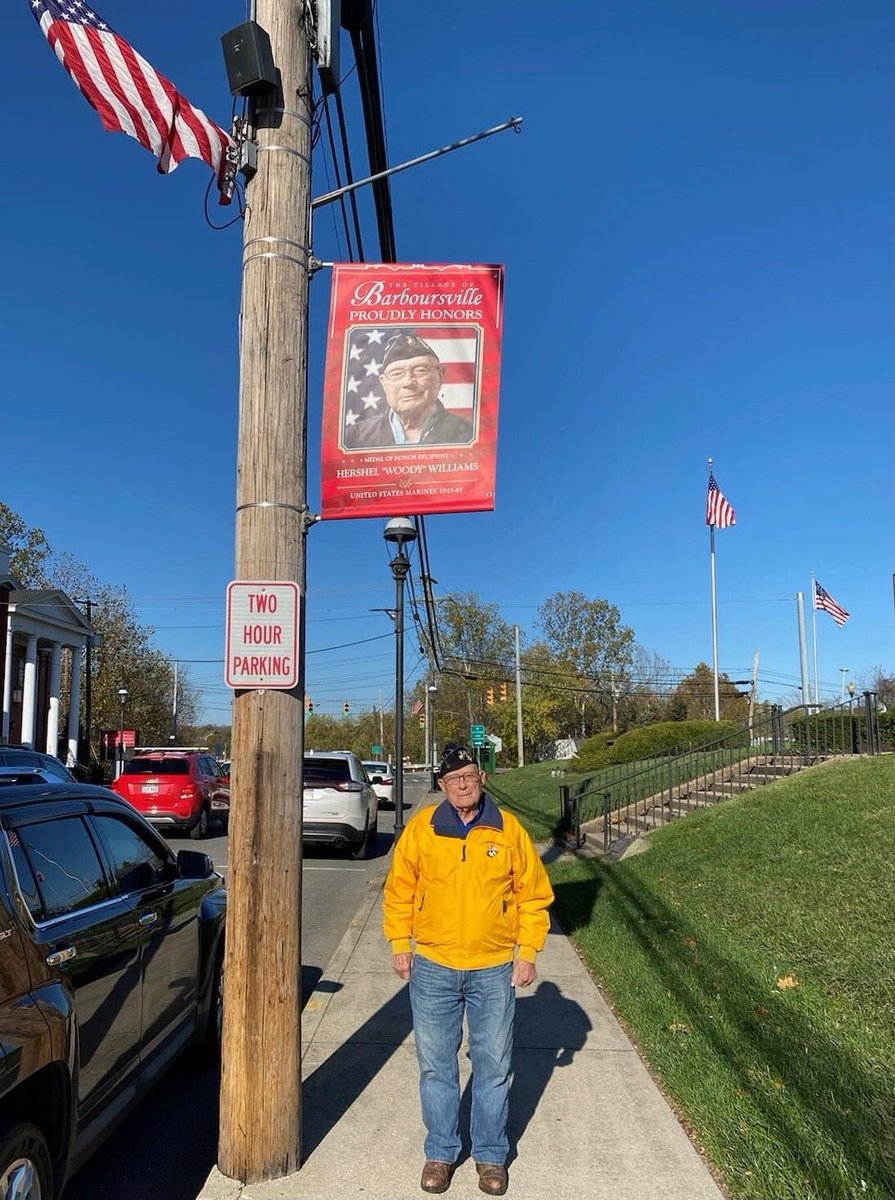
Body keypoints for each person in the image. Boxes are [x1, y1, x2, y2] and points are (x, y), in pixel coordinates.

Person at [383, 744, 554, 1196]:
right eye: (454, 778)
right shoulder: (423, 829)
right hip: (434, 966)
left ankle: (491, 1156)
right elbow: (400, 889)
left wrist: (528, 951)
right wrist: (401, 943)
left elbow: (533, 895)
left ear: (482, 779)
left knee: (494, 1065)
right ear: (442, 785)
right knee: (437, 1067)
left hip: (493, 968)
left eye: (470, 776)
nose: (463, 784)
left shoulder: (507, 830)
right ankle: (440, 1152)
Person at [344, 332, 474, 448]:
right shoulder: (354, 438)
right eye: (396, 374)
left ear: (440, 375)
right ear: (384, 383)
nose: (408, 382)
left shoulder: (469, 434)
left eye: (420, 370)